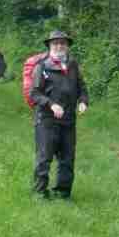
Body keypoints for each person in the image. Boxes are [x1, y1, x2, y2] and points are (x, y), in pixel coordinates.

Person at [29, 30, 88, 199]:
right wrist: (51, 104)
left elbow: (82, 88)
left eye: (63, 43)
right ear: (49, 46)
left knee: (67, 159)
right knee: (44, 158)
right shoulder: (42, 66)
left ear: (67, 46)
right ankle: (40, 193)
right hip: (46, 120)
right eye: (55, 43)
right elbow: (35, 93)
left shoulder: (73, 65)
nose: (59, 46)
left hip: (69, 120)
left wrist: (83, 101)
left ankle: (63, 193)